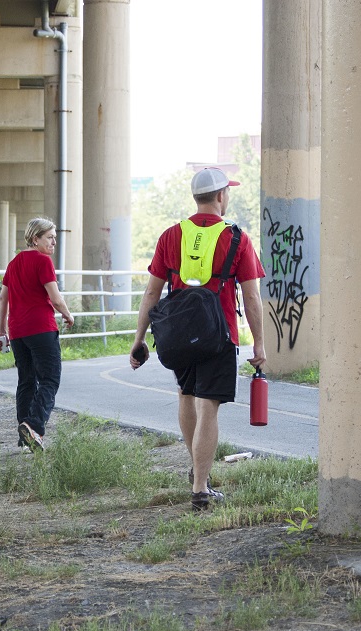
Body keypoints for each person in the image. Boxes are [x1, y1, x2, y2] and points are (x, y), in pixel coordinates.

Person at [130, 168, 266, 510]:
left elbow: (151, 293)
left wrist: (139, 338)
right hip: (219, 334)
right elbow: (251, 297)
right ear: (221, 196)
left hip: (178, 334)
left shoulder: (171, 236)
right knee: (209, 408)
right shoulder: (237, 238)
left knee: (186, 396)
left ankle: (197, 470)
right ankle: (201, 488)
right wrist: (259, 343)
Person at [0, 217, 74, 452]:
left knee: (26, 381)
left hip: (18, 332)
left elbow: (3, 299)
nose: (54, 242)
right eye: (49, 237)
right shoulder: (42, 261)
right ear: (34, 238)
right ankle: (34, 425)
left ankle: (25, 438)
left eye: (55, 238)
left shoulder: (13, 264)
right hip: (41, 328)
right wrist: (68, 314)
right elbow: (55, 298)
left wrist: (2, 330)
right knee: (50, 379)